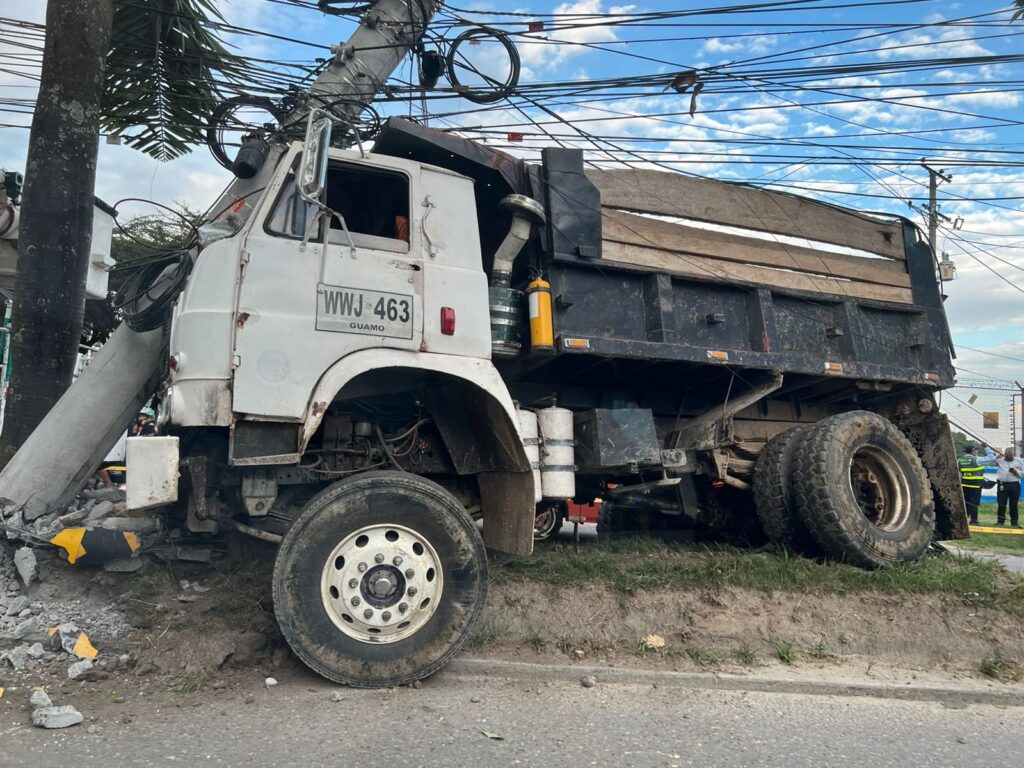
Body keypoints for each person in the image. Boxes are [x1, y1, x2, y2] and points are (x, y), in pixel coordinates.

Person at [959, 443, 997, 525]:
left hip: (964, 484)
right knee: (974, 503)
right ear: (972, 451)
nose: (977, 451)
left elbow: (959, 472)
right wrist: (987, 447)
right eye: (976, 450)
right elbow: (991, 458)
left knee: (965, 503)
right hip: (975, 485)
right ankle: (973, 520)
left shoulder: (960, 460)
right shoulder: (976, 459)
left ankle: (963, 521)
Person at [995, 447, 1024, 527]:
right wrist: (996, 456)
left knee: (1013, 504)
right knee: (1001, 504)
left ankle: (1014, 522)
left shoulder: (1019, 461)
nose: (1009, 456)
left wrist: (1016, 472)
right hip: (1002, 484)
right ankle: (1000, 521)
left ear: (1013, 454)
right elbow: (990, 462)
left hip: (1014, 484)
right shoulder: (1000, 460)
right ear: (1005, 454)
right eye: (1007, 455)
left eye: (1010, 455)